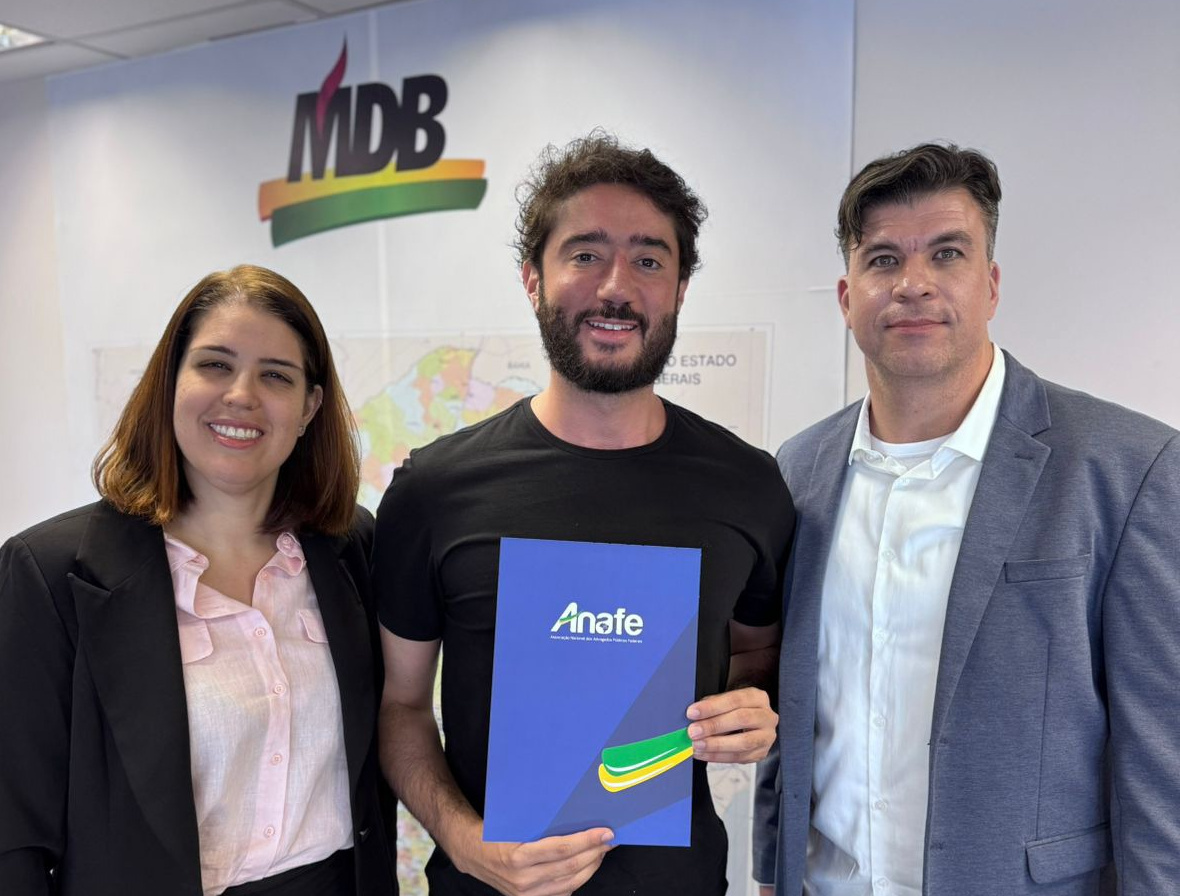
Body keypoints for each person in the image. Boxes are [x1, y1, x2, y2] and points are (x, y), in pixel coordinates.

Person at [374, 132, 795, 896]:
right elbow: (400, 706)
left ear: (680, 288)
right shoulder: (435, 490)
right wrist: (466, 844)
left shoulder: (748, 486)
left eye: (649, 260)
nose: (616, 288)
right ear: (533, 279)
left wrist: (756, 709)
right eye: (586, 254)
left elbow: (756, 653)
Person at [753, 143, 1180, 895]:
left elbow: (1161, 755)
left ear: (990, 285)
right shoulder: (798, 470)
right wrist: (768, 870)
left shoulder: (1125, 469)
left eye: (946, 253)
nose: (913, 283)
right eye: (883, 259)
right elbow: (793, 713)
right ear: (847, 298)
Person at [0, 265, 398, 896]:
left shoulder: (352, 547)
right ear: (170, 383)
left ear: (309, 408)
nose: (241, 395)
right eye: (215, 365)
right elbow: (15, 836)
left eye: (276, 375)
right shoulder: (48, 573)